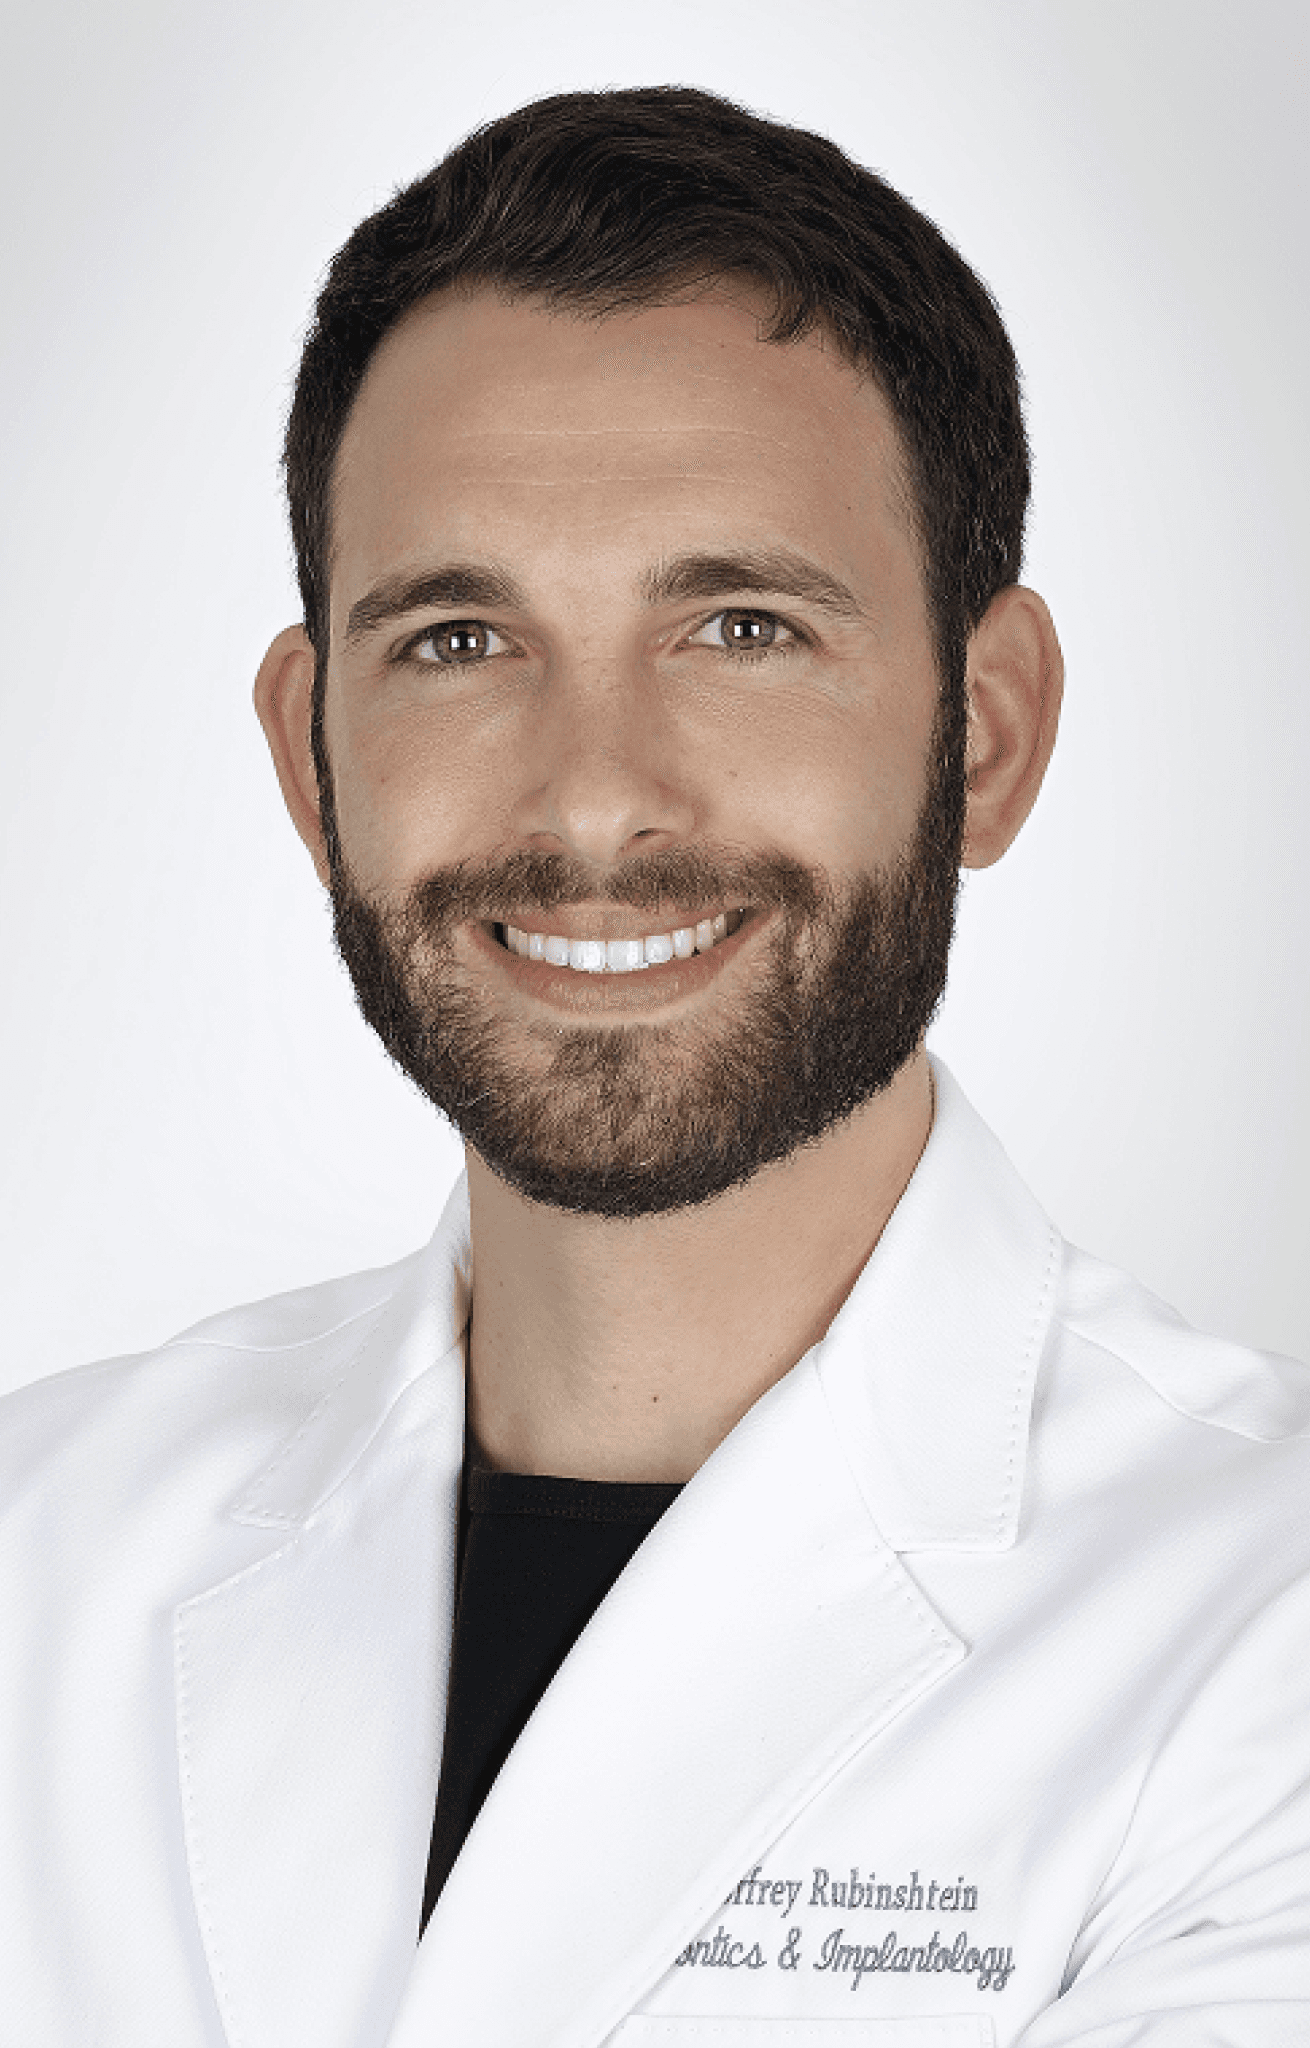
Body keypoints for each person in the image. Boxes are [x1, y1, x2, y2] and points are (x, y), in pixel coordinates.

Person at [2, 84, 1306, 2048]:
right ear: (310, 756)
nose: (596, 795)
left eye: (740, 624)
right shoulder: (39, 1552)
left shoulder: (1260, 1636)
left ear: (992, 731)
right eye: (457, 640)